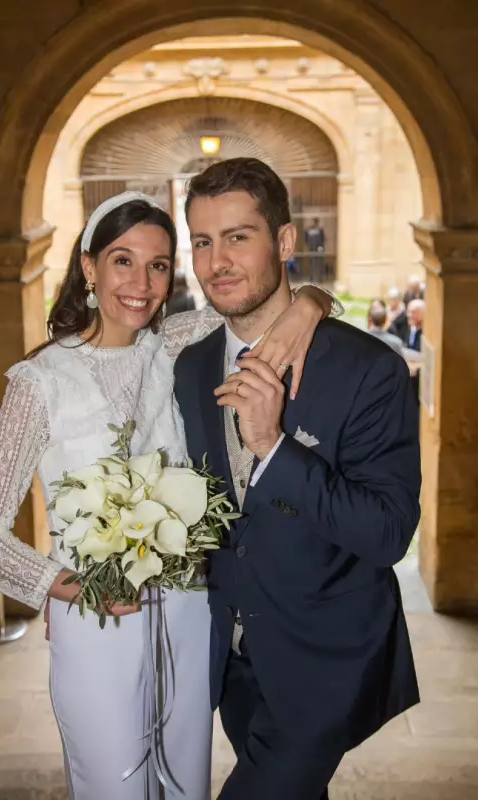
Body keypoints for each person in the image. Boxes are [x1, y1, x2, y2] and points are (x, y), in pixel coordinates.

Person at [0, 191, 336, 800]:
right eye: (122, 260)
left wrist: (311, 301)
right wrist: (70, 589)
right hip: (95, 619)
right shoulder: (39, 383)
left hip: (190, 614)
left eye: (158, 265)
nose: (141, 282)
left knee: (186, 783)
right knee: (113, 785)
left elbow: (268, 306)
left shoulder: (175, 344)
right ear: (89, 266)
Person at [174, 158, 421, 800]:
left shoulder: (369, 370)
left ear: (284, 242)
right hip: (232, 659)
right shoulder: (191, 365)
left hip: (326, 660)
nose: (216, 261)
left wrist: (274, 447)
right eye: (202, 241)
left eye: (238, 237)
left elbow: (388, 532)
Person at [304, 217, 325, 282]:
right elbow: (306, 239)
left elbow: (322, 239)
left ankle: (318, 278)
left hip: (316, 248)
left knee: (317, 263)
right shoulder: (311, 229)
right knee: (314, 263)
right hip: (314, 248)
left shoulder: (318, 229)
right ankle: (313, 278)